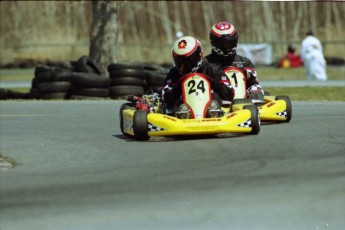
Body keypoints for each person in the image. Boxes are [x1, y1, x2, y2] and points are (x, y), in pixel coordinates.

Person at [162, 35, 235, 117]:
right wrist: (179, 86)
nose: (184, 66)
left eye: (189, 61)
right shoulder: (174, 73)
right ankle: (184, 113)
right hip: (184, 112)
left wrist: (212, 82)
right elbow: (166, 98)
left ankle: (212, 111)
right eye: (180, 62)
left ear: (200, 55)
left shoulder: (212, 69)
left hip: (211, 109)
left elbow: (229, 93)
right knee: (178, 101)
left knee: (215, 95)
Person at [205, 22, 265, 102]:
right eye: (223, 44)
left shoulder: (244, 62)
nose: (227, 47)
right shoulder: (206, 63)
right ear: (214, 42)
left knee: (255, 88)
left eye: (230, 43)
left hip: (244, 105)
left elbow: (253, 83)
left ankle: (257, 110)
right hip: (217, 104)